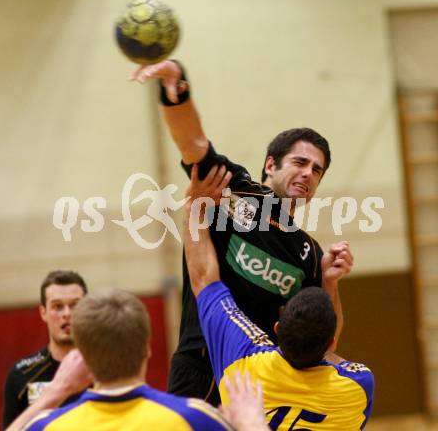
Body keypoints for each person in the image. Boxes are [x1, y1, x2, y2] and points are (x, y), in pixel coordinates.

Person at [130, 60, 354, 405]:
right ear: (270, 165)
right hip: (200, 371)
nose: (308, 174)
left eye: (316, 170)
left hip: (258, 385)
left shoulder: (306, 251)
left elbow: (326, 341)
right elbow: (193, 144)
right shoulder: (235, 190)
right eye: (299, 163)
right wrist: (177, 89)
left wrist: (330, 282)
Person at [183, 194, 374, 430]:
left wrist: (194, 206)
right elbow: (332, 354)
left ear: (277, 328)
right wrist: (330, 283)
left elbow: (204, 280)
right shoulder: (358, 387)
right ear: (331, 341)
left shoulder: (246, 364)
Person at [7, 289, 235, 431]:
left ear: (81, 358)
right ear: (147, 348)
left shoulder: (46, 425)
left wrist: (54, 392)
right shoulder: (197, 418)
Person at [2, 270, 87, 429]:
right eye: (58, 306)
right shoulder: (21, 374)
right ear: (43, 313)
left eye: (75, 305)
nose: (67, 314)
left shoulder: (105, 370)